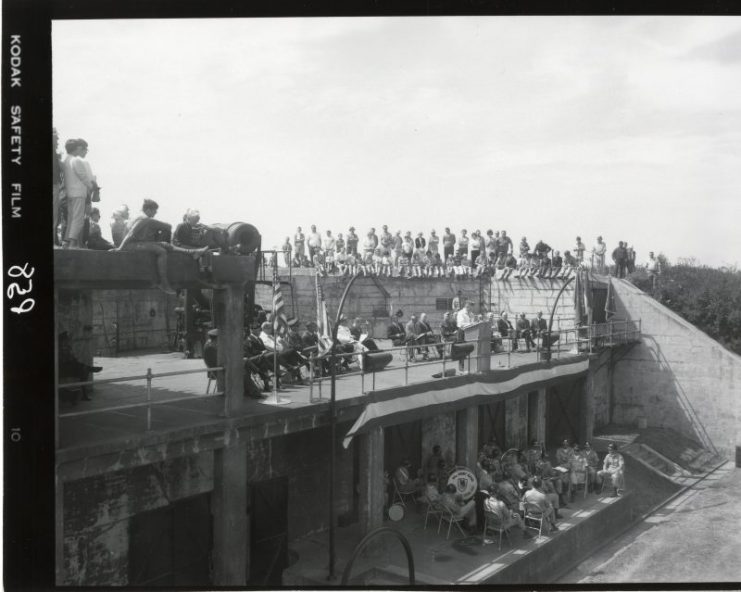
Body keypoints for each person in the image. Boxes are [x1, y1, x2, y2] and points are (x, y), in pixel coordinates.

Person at [117, 199, 209, 294]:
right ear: (148, 210)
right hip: (132, 245)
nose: (155, 213)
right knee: (162, 251)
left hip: (138, 243)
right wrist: (120, 248)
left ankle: (192, 252)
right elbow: (130, 234)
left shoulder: (139, 216)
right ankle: (163, 282)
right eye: (154, 211)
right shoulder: (144, 218)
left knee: (165, 245)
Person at [62, 138, 99, 248]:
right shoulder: (76, 160)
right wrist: (92, 186)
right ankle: (72, 243)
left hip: (69, 193)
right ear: (78, 148)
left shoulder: (66, 160)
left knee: (71, 219)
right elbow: (83, 177)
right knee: (78, 220)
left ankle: (66, 242)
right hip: (78, 193)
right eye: (83, 149)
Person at [58, 331, 103, 403]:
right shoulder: (58, 349)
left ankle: (84, 394)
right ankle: (88, 368)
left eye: (67, 339)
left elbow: (72, 358)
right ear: (62, 340)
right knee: (82, 368)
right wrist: (69, 358)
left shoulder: (68, 347)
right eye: (66, 339)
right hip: (62, 369)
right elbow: (61, 361)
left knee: (84, 371)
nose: (67, 341)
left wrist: (73, 359)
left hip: (70, 367)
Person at [52, 128, 63, 245]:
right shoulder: (53, 152)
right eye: (56, 139)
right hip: (54, 184)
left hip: (55, 184)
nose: (58, 141)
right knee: (54, 215)